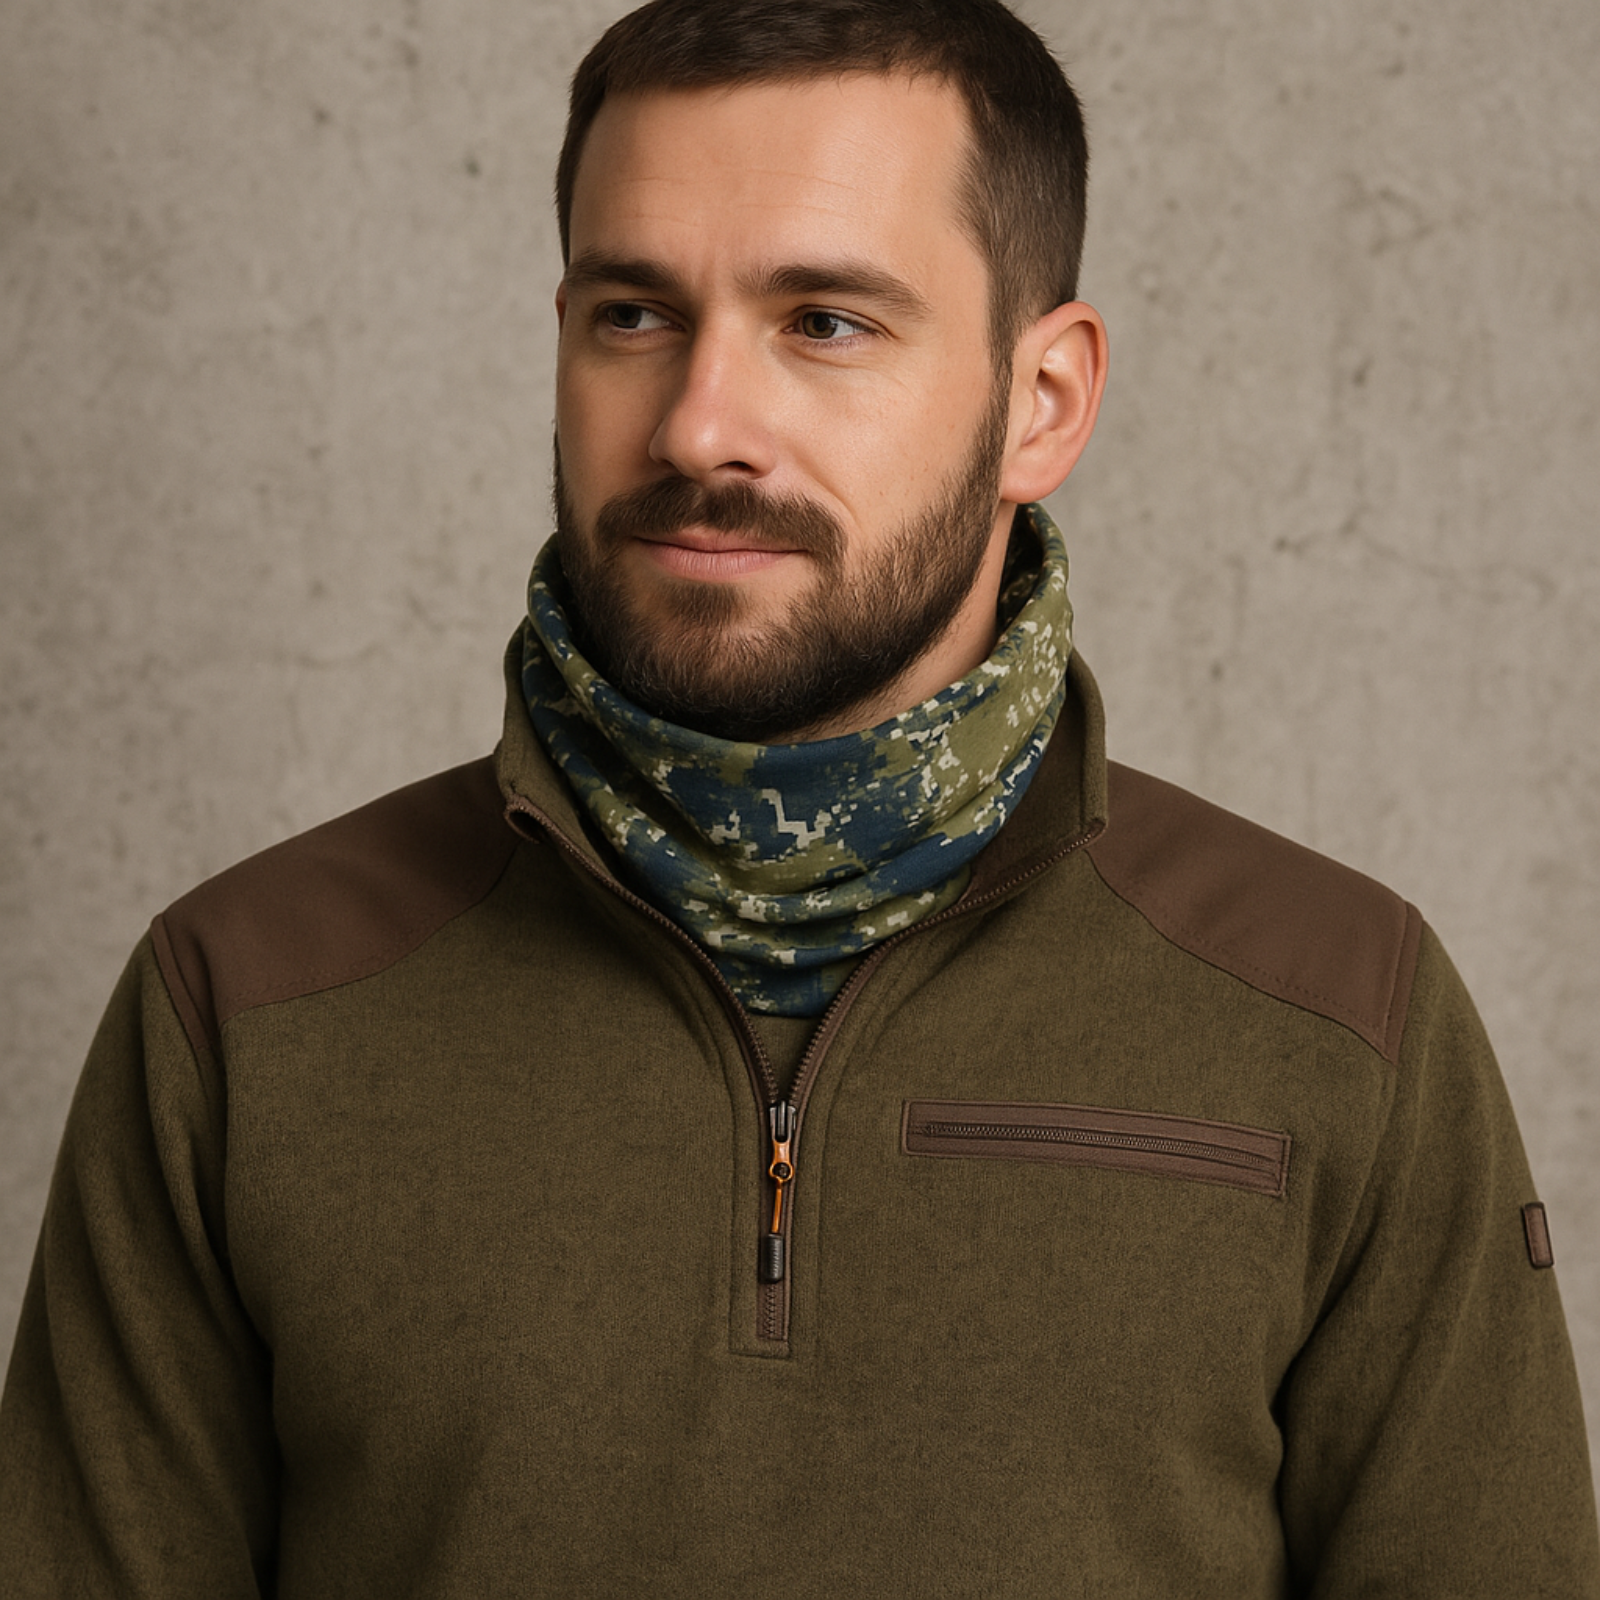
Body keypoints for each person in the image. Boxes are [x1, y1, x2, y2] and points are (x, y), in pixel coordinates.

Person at [2, 0, 1596, 1592]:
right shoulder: (246, 1004)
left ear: (1042, 401)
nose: (700, 425)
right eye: (634, 313)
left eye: (826, 321)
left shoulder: (1338, 1014)